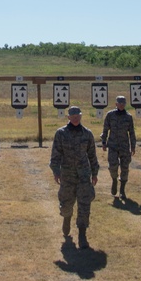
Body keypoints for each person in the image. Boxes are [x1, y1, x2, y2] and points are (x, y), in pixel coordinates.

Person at [50, 106, 99, 249]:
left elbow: (92, 156)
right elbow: (56, 154)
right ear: (68, 117)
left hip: (84, 175)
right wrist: (56, 171)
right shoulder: (61, 134)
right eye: (73, 115)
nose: (76, 117)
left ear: (81, 116)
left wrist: (94, 173)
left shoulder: (87, 134)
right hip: (67, 175)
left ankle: (82, 234)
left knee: (84, 205)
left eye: (78, 115)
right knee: (66, 204)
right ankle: (66, 218)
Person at [101, 95, 136, 199]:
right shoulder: (110, 115)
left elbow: (132, 132)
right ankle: (114, 180)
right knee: (113, 166)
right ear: (116, 104)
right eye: (119, 103)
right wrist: (104, 141)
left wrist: (133, 146)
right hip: (112, 145)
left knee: (125, 168)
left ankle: (122, 190)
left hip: (125, 146)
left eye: (123, 103)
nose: (121, 105)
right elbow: (105, 129)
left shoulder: (128, 117)